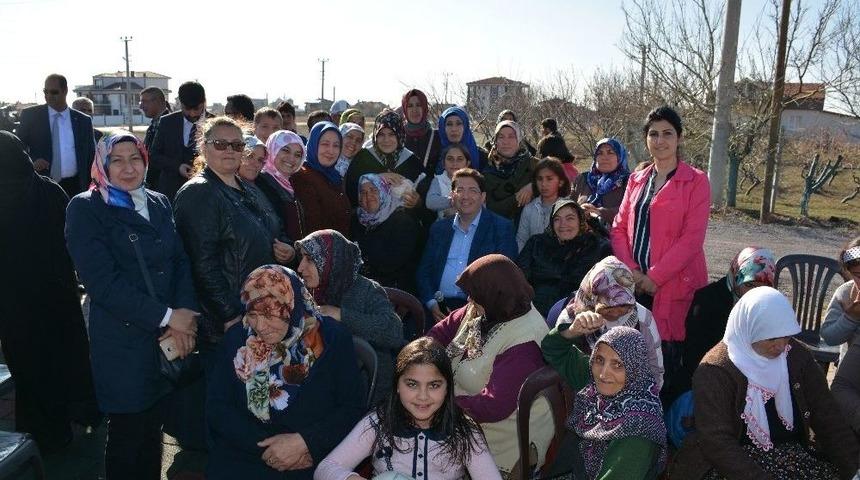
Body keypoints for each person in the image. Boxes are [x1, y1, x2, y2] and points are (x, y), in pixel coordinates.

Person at [65, 132, 199, 478]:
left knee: (153, 432)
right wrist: (169, 316)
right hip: (122, 342)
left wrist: (181, 317)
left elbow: (181, 262)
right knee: (128, 434)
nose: (128, 168)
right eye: (117, 160)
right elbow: (103, 284)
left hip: (165, 337)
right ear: (102, 164)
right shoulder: (86, 207)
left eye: (135, 158)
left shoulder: (158, 201)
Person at [671, 287, 859, 480]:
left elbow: (828, 416)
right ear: (750, 329)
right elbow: (717, 442)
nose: (781, 345)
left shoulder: (796, 356)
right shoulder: (715, 370)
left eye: (786, 335)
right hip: (733, 466)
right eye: (771, 338)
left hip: (793, 459)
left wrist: (854, 470)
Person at [206, 265, 366, 479]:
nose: (260, 326)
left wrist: (305, 442)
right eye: (252, 314)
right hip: (246, 451)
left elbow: (352, 408)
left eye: (270, 315)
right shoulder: (237, 339)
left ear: (291, 306)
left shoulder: (332, 339)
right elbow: (217, 407)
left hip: (310, 455)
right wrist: (267, 449)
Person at [0, 131, 99, 453]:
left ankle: (48, 433)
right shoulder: (50, 190)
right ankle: (83, 411)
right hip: (58, 295)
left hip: (14, 303)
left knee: (31, 369)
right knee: (69, 355)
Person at [610, 106, 709, 394]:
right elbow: (618, 227)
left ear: (679, 138)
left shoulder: (696, 181)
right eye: (653, 134)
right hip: (634, 283)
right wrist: (632, 271)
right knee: (631, 359)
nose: (660, 140)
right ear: (646, 139)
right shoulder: (636, 180)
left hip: (673, 285)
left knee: (667, 365)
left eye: (667, 133)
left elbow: (692, 239)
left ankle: (662, 432)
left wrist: (654, 277)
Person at [427, 254, 553, 476]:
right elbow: (442, 331)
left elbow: (494, 406)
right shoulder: (492, 306)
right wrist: (422, 357)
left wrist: (438, 404)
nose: (469, 303)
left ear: (494, 296)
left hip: (503, 434)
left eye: (474, 297)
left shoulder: (525, 341)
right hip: (463, 409)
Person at [174, 116, 291, 346]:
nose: (229, 150)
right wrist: (229, 315)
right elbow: (202, 264)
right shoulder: (199, 193)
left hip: (260, 309)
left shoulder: (247, 187)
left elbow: (274, 229)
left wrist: (288, 250)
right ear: (204, 148)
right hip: (228, 322)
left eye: (237, 145)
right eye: (220, 144)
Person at [315, 337, 502, 480]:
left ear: (447, 388)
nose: (423, 396)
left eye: (434, 385)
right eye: (412, 384)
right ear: (397, 385)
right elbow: (324, 469)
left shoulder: (464, 431)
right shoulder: (378, 422)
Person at [542, 325, 667, 480]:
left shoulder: (638, 429)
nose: (603, 374)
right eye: (599, 360)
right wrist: (572, 330)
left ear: (636, 369)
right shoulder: (594, 383)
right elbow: (552, 348)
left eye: (618, 365)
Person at [295, 230, 404, 404]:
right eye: (301, 258)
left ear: (331, 262)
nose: (300, 268)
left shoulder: (366, 291)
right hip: (319, 387)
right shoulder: (307, 292)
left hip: (365, 394)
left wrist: (341, 315)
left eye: (310, 259)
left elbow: (394, 332)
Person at [416, 169, 517, 322]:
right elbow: (424, 271)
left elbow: (505, 274)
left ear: (483, 197)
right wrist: (431, 303)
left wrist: (479, 305)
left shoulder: (501, 228)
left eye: (473, 190)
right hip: (439, 308)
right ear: (452, 195)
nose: (465, 196)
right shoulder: (439, 229)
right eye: (460, 190)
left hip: (480, 309)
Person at [549, 256, 664, 389]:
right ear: (593, 298)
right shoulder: (572, 317)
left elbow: (655, 370)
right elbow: (556, 357)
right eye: (608, 308)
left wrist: (643, 400)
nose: (615, 313)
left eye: (623, 307)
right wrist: (573, 331)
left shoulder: (642, 318)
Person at [681, 247, 776, 389]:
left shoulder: (770, 304)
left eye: (762, 286)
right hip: (709, 380)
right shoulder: (707, 300)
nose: (755, 292)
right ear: (736, 277)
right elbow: (694, 357)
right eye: (749, 285)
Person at [516, 199, 612, 317]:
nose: (563, 224)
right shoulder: (537, 243)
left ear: (580, 221)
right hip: (535, 314)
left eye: (570, 218)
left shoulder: (596, 247)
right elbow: (519, 279)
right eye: (557, 219)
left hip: (578, 317)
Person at [16, 73, 96, 197]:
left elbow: (91, 155)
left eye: (54, 92)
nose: (48, 96)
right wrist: (31, 162)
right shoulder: (31, 115)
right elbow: (17, 148)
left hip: (76, 187)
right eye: (45, 91)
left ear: (65, 91)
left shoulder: (83, 121)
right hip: (41, 184)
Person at [352, 173, 422, 293]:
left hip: (394, 291)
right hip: (362, 286)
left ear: (383, 191)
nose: (368, 196)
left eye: (374, 190)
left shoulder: (402, 221)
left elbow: (391, 264)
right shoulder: (357, 219)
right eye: (363, 192)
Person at [150, 81, 214, 200]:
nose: (192, 113)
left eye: (197, 108)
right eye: (187, 109)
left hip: (207, 194)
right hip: (171, 193)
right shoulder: (166, 122)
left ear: (204, 102)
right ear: (180, 102)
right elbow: (154, 156)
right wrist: (177, 167)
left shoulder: (217, 124)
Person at [345, 110, 422, 207]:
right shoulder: (363, 158)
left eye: (392, 134)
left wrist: (418, 202)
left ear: (399, 135)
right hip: (367, 220)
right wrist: (376, 179)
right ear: (375, 134)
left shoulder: (411, 161)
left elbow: (426, 202)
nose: (386, 140)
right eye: (381, 134)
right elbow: (350, 194)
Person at [292, 121, 353, 237]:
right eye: (325, 144)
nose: (331, 151)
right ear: (314, 144)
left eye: (336, 145)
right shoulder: (303, 177)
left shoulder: (333, 176)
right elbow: (313, 227)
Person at [255, 130, 307, 242]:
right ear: (272, 150)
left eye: (298, 155)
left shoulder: (293, 184)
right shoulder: (261, 182)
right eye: (285, 150)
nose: (292, 159)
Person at [482, 120, 539, 220]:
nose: (506, 141)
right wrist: (516, 198)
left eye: (511, 136)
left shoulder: (534, 164)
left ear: (518, 140)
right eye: (501, 137)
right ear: (495, 141)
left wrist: (533, 186)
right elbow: (490, 208)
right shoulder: (488, 171)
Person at [516, 158, 571, 251]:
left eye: (549, 179)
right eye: (540, 179)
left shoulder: (569, 208)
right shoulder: (529, 209)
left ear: (560, 182)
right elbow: (521, 239)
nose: (544, 184)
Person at [573, 138, 631, 225]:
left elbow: (631, 211)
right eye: (600, 153)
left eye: (610, 152)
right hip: (582, 234)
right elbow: (568, 204)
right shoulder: (583, 179)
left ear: (619, 157)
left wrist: (600, 212)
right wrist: (579, 209)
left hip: (614, 235)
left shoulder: (629, 181)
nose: (604, 157)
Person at [820, 237, 860, 356]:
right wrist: (851, 316)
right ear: (849, 273)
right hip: (851, 369)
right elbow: (829, 338)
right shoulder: (845, 293)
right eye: (858, 275)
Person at [402, 89, 442, 176]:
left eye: (419, 105)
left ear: (424, 107)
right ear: (405, 109)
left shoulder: (437, 137)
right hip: (403, 188)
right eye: (410, 106)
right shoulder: (397, 137)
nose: (414, 110)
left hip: (431, 188)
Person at [425, 143, 471, 219]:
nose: (454, 163)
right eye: (450, 159)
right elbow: (430, 202)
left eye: (460, 159)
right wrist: (453, 200)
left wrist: (457, 211)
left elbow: (480, 205)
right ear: (443, 163)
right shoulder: (438, 180)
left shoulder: (474, 181)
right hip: (444, 224)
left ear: (467, 163)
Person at [438, 106, 487, 171]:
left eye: (458, 124)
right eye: (449, 124)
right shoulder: (434, 153)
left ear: (465, 127)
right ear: (443, 128)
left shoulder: (481, 156)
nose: (454, 129)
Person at [139, 86, 170, 188]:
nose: (141, 106)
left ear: (157, 101)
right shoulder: (153, 125)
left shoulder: (172, 126)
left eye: (144, 102)